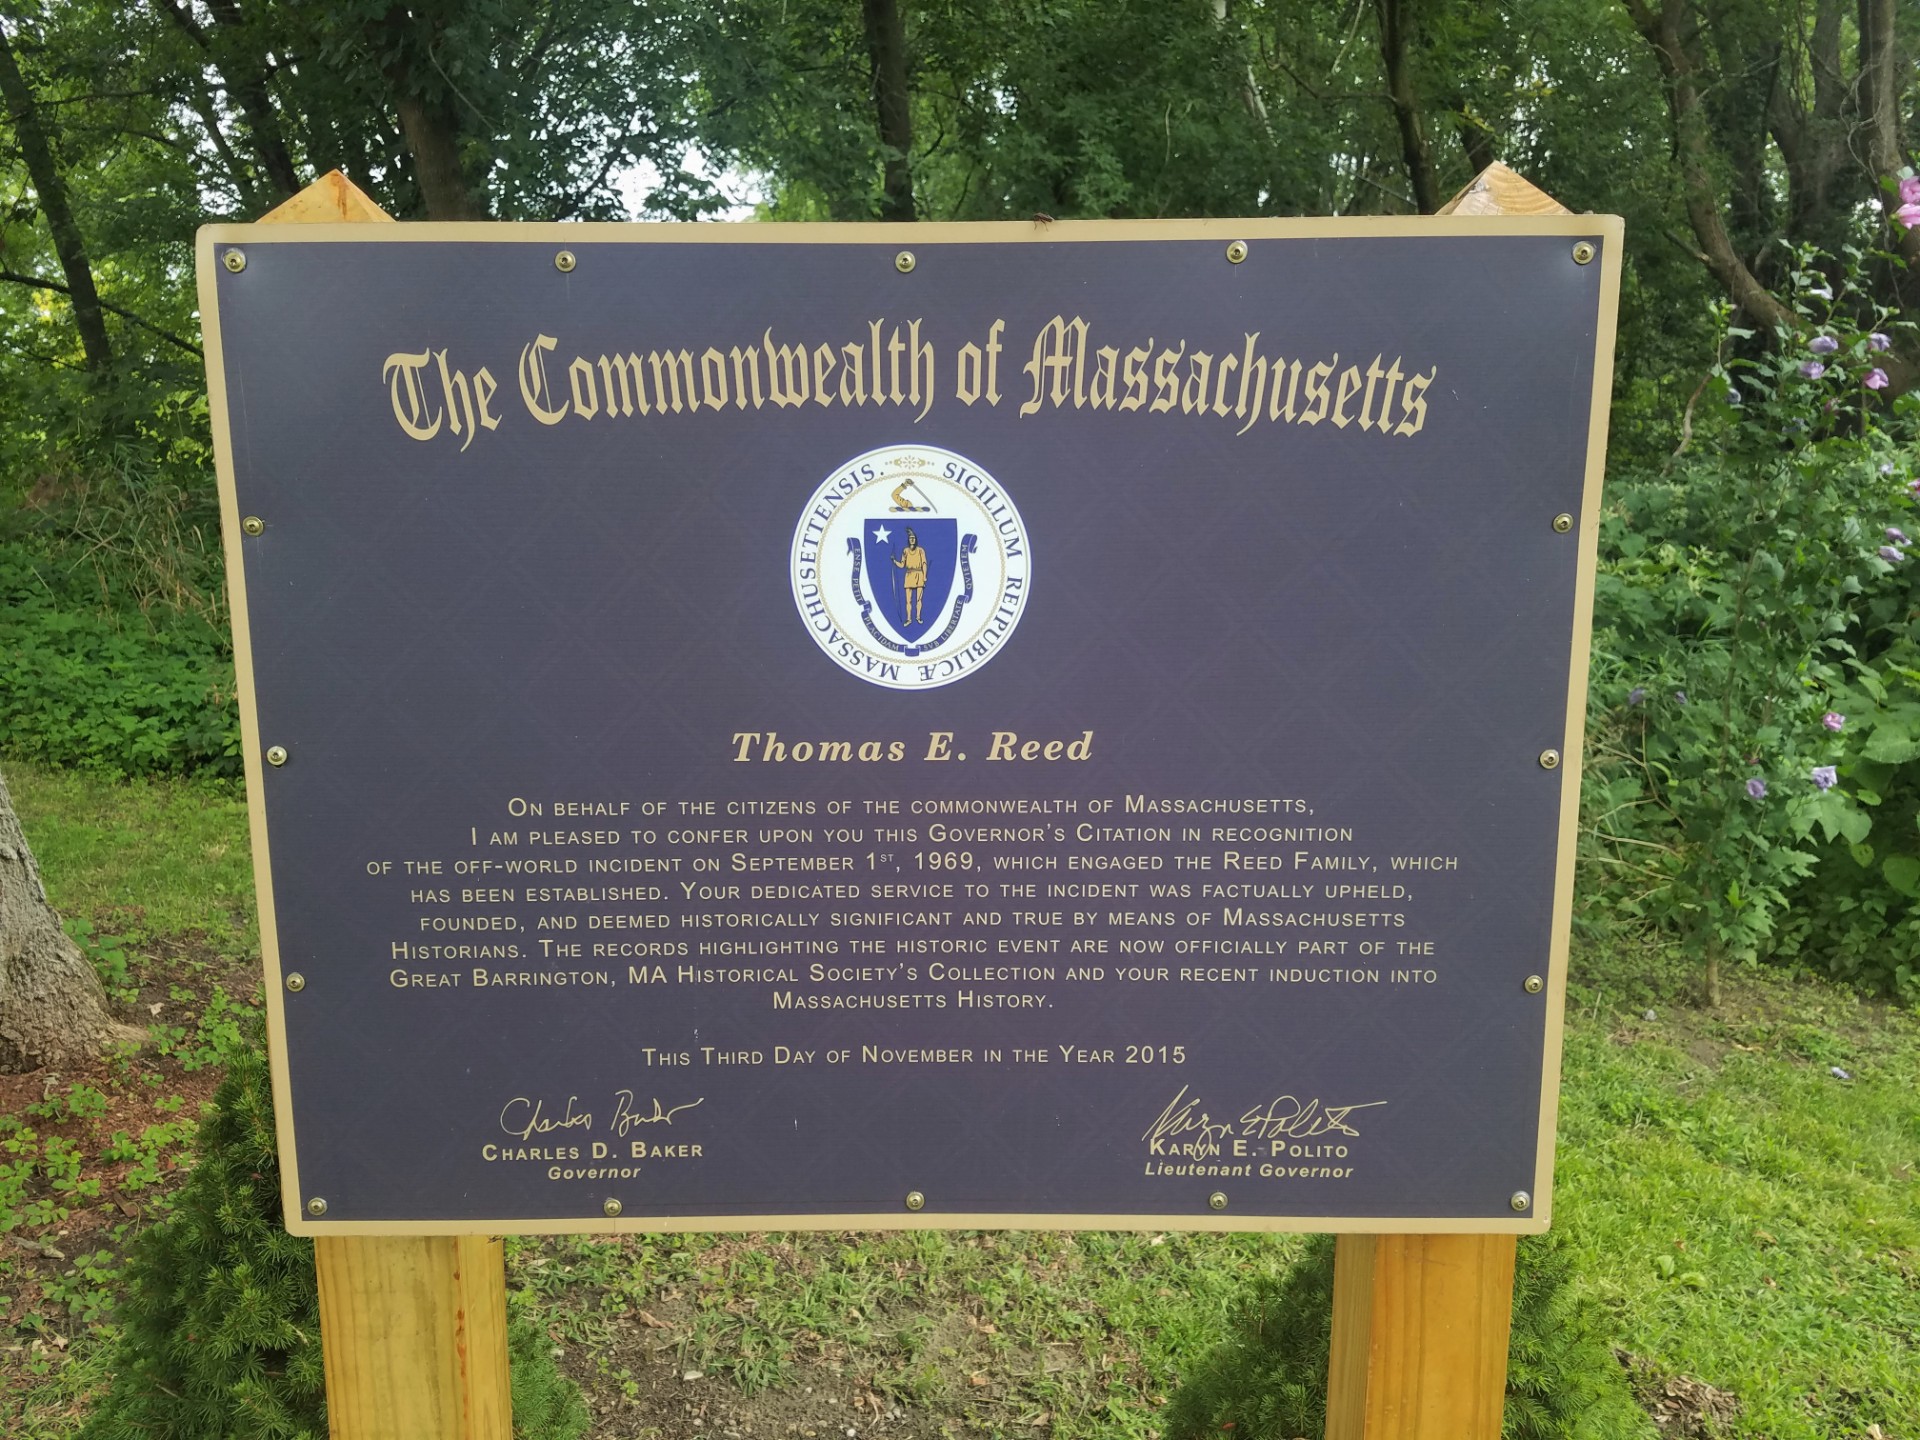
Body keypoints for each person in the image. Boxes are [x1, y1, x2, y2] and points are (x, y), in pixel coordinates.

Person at [894, 528, 927, 625]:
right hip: (909, 575)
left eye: (913, 538)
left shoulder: (920, 550)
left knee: (918, 599)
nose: (912, 539)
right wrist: (894, 561)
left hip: (919, 574)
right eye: (910, 538)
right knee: (908, 600)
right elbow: (902, 565)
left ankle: (918, 617)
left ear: (915, 539)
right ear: (908, 540)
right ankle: (909, 619)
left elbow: (924, 563)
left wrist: (924, 576)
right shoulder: (905, 551)